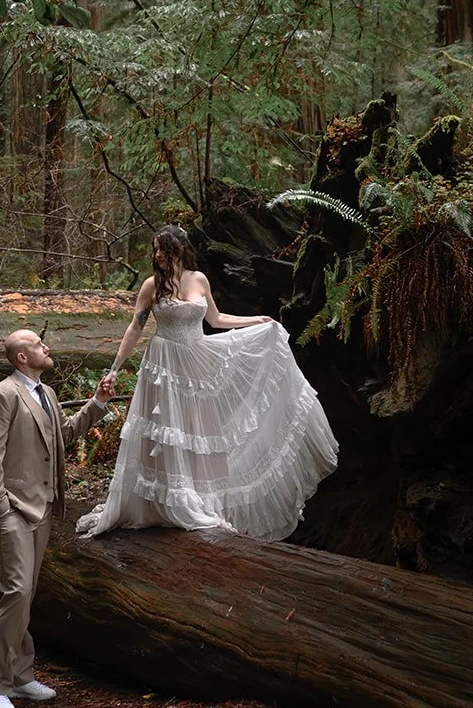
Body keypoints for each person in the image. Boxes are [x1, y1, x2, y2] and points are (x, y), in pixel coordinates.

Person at [76, 225, 337, 542]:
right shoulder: (152, 286)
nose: (157, 255)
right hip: (164, 364)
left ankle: (196, 499)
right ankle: (162, 502)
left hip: (197, 363)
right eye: (155, 249)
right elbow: (135, 327)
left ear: (178, 249)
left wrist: (257, 321)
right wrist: (114, 368)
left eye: (162, 248)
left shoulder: (199, 279)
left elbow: (215, 320)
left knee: (197, 431)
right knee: (166, 431)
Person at [0, 329, 114, 708]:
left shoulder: (46, 394)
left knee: (27, 593)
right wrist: (0, 508)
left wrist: (96, 403)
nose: (46, 347)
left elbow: (63, 436)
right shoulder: (2, 396)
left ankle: (20, 676)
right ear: (22, 357)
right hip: (15, 510)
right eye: (38, 344)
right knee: (16, 592)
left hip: (44, 507)